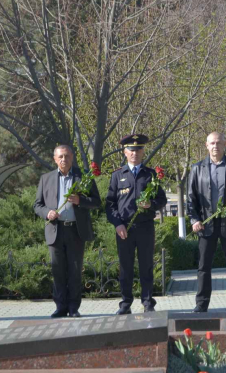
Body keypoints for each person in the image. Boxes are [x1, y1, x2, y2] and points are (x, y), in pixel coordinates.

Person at [34, 145, 101, 318]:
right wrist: (47, 213)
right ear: (55, 159)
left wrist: (80, 200)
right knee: (58, 271)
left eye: (67, 156)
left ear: (72, 158)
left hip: (75, 231)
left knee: (75, 271)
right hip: (55, 230)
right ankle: (60, 307)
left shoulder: (83, 176)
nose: (64, 159)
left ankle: (73, 308)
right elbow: (37, 205)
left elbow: (96, 201)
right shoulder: (46, 179)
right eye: (60, 157)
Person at [187, 132, 226, 314]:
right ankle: (202, 304)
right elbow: (191, 198)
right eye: (212, 143)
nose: (215, 146)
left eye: (219, 143)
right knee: (204, 266)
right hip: (206, 225)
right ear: (206, 145)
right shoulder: (197, 169)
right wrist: (194, 219)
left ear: (225, 145)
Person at [106, 134, 167, 314]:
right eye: (131, 150)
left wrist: (151, 205)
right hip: (124, 228)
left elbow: (162, 199)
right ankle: (125, 304)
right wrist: (117, 224)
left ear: (143, 152)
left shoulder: (150, 174)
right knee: (125, 267)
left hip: (145, 227)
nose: (135, 153)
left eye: (138, 150)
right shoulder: (117, 175)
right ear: (125, 152)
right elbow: (110, 204)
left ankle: (148, 302)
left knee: (146, 266)